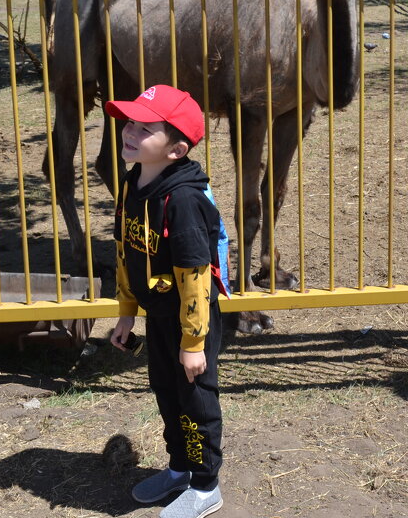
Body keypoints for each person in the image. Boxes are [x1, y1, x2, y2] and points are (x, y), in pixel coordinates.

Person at [107, 84, 228, 518]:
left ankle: (206, 483)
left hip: (190, 320)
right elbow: (125, 249)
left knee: (195, 398)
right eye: (129, 122)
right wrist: (125, 313)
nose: (130, 131)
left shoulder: (185, 201)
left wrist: (193, 342)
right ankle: (179, 469)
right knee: (165, 391)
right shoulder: (131, 182)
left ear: (176, 148)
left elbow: (195, 276)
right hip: (158, 315)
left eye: (145, 128)